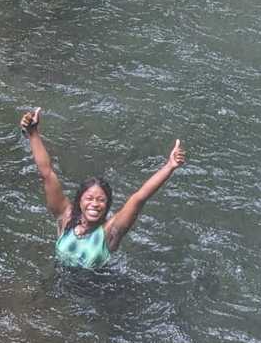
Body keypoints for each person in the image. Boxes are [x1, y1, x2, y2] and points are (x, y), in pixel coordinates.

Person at [19, 107, 186, 270]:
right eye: (89, 198)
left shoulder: (111, 231)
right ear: (79, 201)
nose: (94, 204)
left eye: (101, 200)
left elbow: (139, 197)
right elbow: (47, 173)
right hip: (60, 282)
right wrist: (33, 134)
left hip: (95, 292)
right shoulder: (65, 218)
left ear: (107, 205)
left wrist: (170, 166)